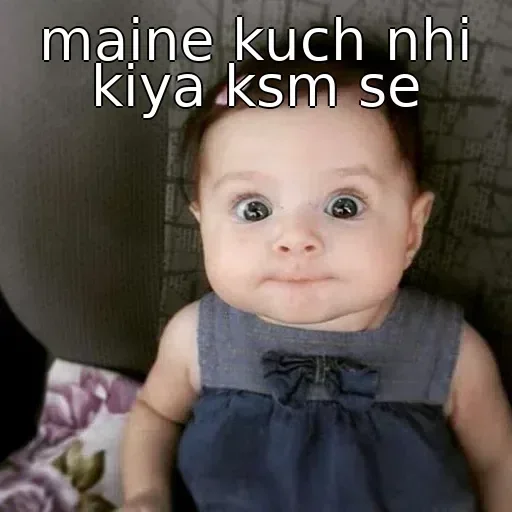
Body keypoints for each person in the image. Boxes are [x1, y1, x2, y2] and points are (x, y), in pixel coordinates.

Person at [119, 30, 512, 511]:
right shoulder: (196, 339)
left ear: (412, 229)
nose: (295, 238)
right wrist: (145, 493)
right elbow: (155, 413)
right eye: (254, 209)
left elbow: (496, 460)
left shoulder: (451, 351)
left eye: (344, 206)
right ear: (202, 226)